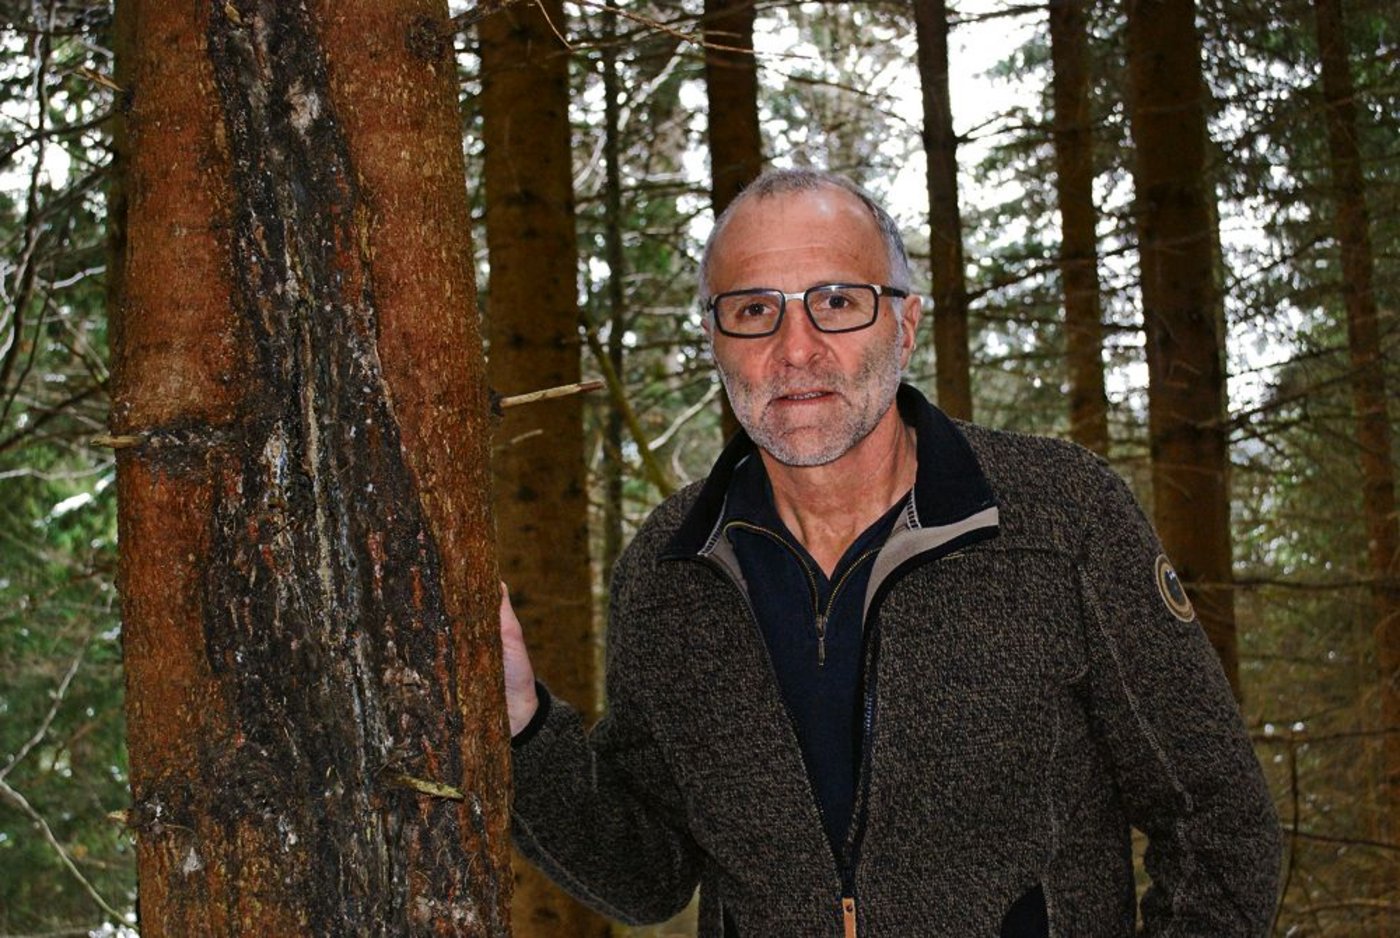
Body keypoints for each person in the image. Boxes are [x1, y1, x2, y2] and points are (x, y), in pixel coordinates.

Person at [499, 168, 1281, 936]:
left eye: (838, 302)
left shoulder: (1059, 517)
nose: (795, 349)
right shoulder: (671, 568)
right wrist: (522, 729)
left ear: (904, 326)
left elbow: (1219, 821)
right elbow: (647, 878)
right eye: (754, 309)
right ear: (715, 340)